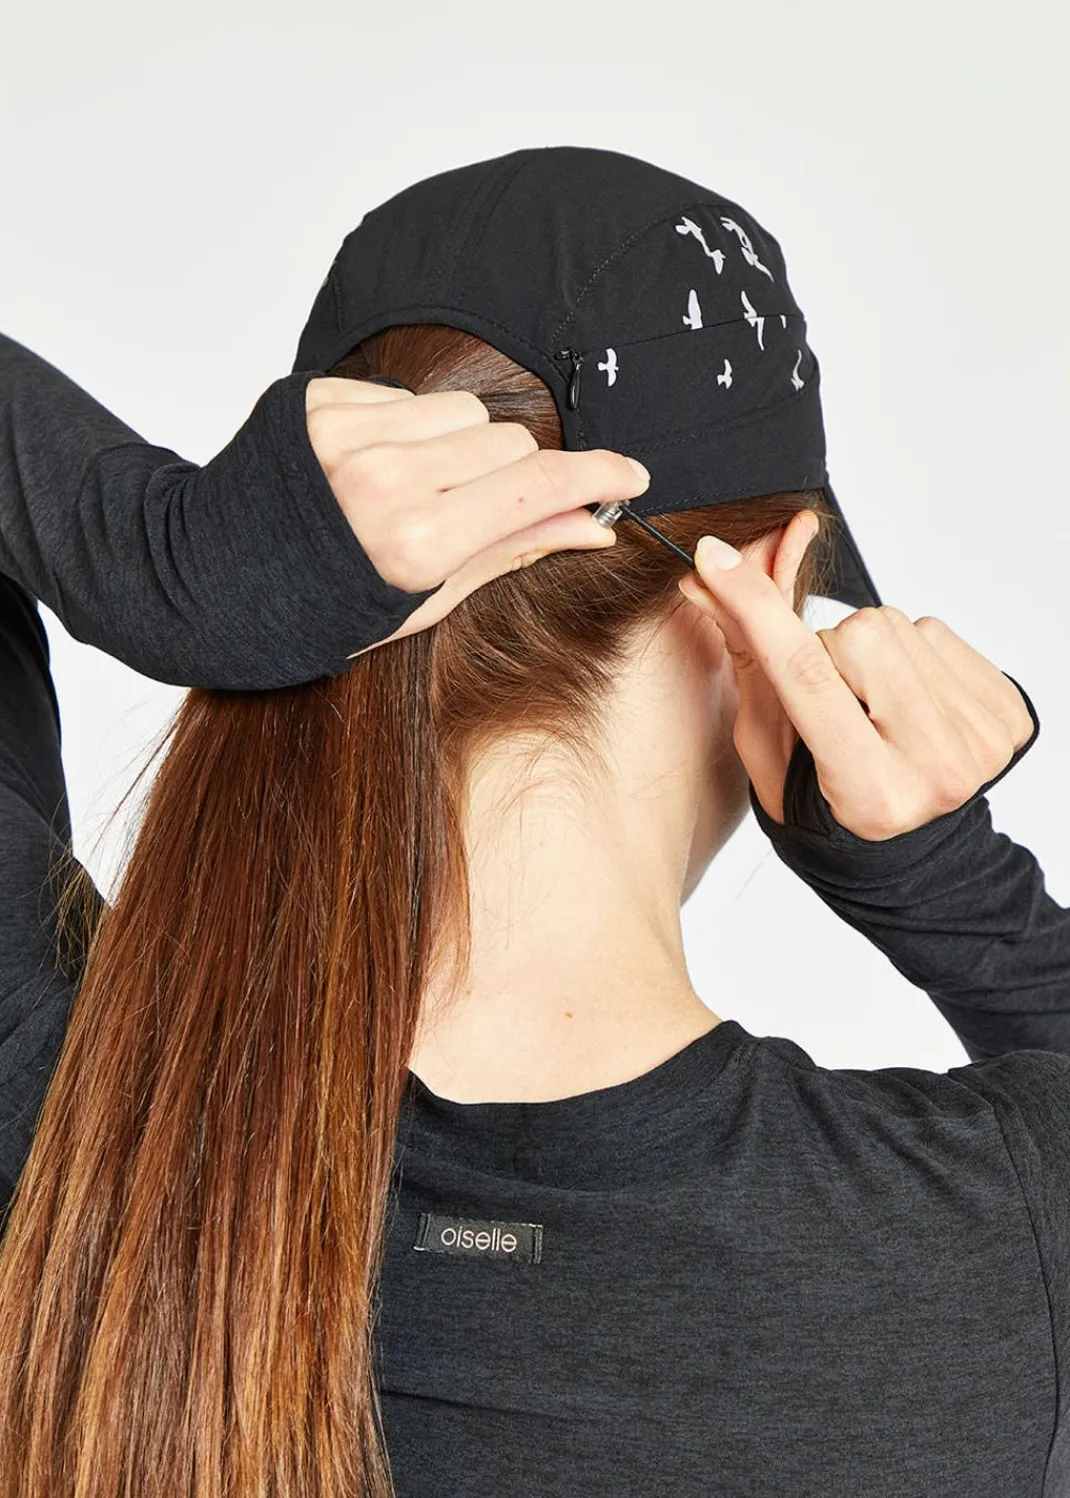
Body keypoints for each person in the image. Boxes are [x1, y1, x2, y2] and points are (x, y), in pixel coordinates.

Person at [0, 157, 1066, 1496]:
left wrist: (168, 565)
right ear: (772, 585)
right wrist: (952, 886)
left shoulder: (65, 1129)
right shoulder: (997, 1233)